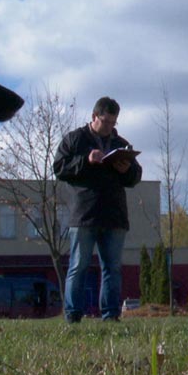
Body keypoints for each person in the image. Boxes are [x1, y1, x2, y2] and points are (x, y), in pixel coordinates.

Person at [53, 96, 142, 323]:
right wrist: (86, 160)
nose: (109, 127)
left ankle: (110, 315)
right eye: (106, 122)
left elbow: (135, 177)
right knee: (78, 267)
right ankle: (73, 316)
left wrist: (126, 170)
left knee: (112, 269)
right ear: (94, 117)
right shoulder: (75, 140)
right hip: (84, 215)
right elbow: (60, 168)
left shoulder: (121, 144)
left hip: (114, 217)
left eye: (114, 123)